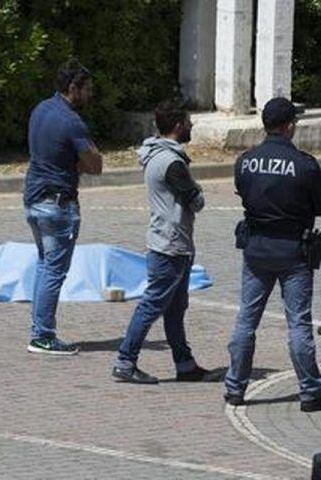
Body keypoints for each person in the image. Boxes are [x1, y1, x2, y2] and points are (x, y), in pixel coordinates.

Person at [225, 97, 321, 410]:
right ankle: (310, 392)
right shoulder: (305, 165)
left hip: (256, 252)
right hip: (294, 253)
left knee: (246, 321)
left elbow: (243, 193)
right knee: (298, 325)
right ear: (289, 126)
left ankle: (235, 388)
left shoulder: (246, 161)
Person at [112, 100, 210, 384]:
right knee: (153, 305)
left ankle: (185, 364)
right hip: (171, 245)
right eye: (189, 122)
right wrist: (198, 191)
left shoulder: (155, 154)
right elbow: (197, 201)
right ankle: (125, 361)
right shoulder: (172, 162)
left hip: (166, 241)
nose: (191, 126)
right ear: (179, 126)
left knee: (175, 308)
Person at [23, 58, 103, 355]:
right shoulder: (72, 122)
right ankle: (42, 335)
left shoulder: (41, 109)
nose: (90, 94)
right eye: (87, 88)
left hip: (33, 199)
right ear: (73, 88)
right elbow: (95, 165)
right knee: (53, 270)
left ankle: (39, 330)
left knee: (45, 267)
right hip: (57, 205)